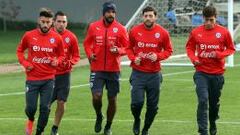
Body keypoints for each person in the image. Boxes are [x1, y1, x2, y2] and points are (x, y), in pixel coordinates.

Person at [185, 6, 235, 135]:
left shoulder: (223, 32)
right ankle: (203, 131)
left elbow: (231, 49)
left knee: (214, 104)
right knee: (203, 100)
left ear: (216, 18)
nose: (208, 23)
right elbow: (189, 48)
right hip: (201, 72)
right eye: (206, 20)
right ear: (203, 18)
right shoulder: (196, 32)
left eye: (211, 20)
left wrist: (219, 54)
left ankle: (212, 122)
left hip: (217, 74)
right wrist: (194, 58)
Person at [83, 1, 129, 135]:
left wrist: (119, 50)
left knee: (112, 99)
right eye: (108, 12)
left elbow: (128, 47)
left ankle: (108, 126)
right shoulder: (93, 27)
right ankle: (99, 115)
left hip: (113, 70)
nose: (111, 14)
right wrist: (90, 54)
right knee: (96, 96)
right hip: (96, 69)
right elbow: (87, 43)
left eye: (113, 12)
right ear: (103, 13)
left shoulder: (121, 28)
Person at [16, 8, 64, 135]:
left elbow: (61, 55)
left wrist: (57, 61)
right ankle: (31, 120)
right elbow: (20, 51)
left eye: (48, 22)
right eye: (43, 21)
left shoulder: (57, 38)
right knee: (31, 108)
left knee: (45, 108)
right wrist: (25, 63)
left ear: (52, 23)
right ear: (39, 21)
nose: (45, 25)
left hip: (48, 79)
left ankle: (39, 131)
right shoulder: (29, 35)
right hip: (32, 80)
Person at [126, 6, 173, 135]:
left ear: (155, 17)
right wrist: (133, 58)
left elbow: (169, 50)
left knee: (153, 107)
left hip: (154, 75)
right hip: (138, 73)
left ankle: (146, 129)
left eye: (150, 16)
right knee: (137, 103)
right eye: (146, 16)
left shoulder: (163, 33)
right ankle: (136, 119)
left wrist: (158, 56)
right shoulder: (134, 31)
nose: (148, 18)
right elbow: (128, 48)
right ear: (142, 17)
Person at [50, 11, 80, 135]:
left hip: (64, 75)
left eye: (64, 22)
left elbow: (76, 56)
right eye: (59, 21)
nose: (61, 24)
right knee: (45, 105)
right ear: (53, 22)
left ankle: (55, 128)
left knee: (61, 102)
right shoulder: (47, 35)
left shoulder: (71, 37)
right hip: (49, 76)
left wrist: (70, 62)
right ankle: (40, 125)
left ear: (66, 23)